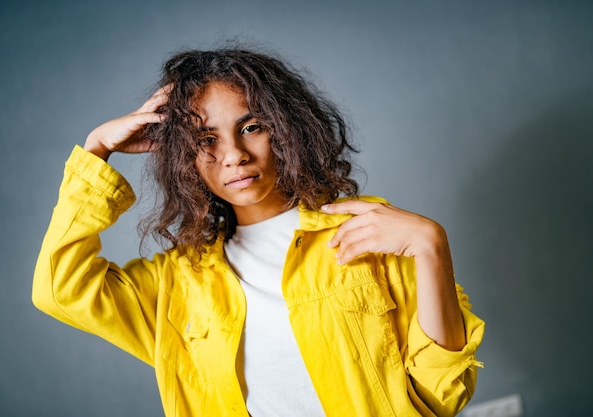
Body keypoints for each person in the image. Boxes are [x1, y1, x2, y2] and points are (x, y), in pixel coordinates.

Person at [32, 47, 485, 417]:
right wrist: (97, 149)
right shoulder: (177, 284)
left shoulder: (370, 230)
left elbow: (443, 393)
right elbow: (59, 290)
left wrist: (431, 248)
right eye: (205, 140)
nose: (233, 155)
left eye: (251, 127)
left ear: (286, 129)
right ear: (182, 157)